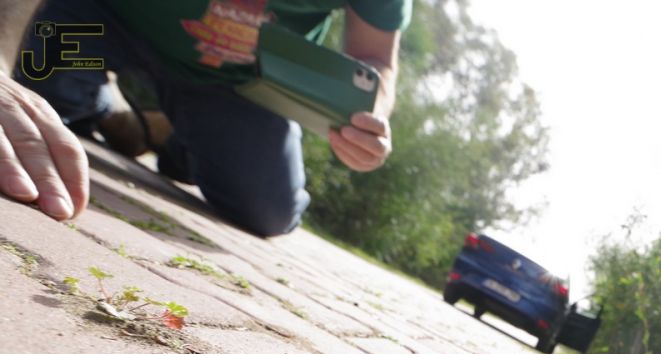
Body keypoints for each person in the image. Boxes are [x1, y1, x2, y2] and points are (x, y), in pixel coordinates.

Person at [0, 0, 408, 236]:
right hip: (105, 22)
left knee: (267, 211)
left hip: (231, 82)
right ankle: (106, 108)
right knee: (38, 89)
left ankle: (173, 137)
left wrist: (370, 116)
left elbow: (375, 57)